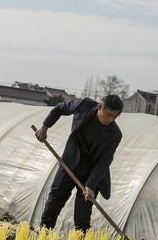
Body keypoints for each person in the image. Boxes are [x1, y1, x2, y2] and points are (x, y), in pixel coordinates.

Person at [35, 94, 123, 232]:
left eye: (115, 117)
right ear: (100, 107)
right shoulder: (84, 106)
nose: (110, 119)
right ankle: (44, 232)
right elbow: (59, 108)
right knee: (56, 198)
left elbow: (104, 162)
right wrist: (45, 127)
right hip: (71, 161)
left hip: (91, 172)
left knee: (83, 209)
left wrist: (90, 186)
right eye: (108, 114)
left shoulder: (115, 134)